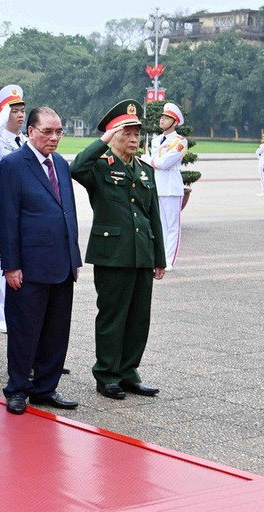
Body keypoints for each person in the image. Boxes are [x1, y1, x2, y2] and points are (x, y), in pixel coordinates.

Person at [71, 100, 166, 401]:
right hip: (113, 255)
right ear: (114, 135)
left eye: (137, 133)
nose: (135, 138)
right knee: (113, 316)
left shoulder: (145, 170)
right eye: (127, 133)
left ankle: (128, 372)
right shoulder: (100, 168)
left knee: (139, 317)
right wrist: (103, 140)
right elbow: (76, 167)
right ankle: (107, 374)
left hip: (142, 254)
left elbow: (154, 216)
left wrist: (159, 258)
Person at [0, 107, 82, 415]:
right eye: (47, 131)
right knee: (24, 331)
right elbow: (7, 218)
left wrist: (75, 257)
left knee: (56, 331)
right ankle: (17, 389)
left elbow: (66, 211)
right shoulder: (12, 166)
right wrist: (11, 264)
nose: (54, 137)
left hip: (61, 264)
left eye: (59, 131)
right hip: (29, 266)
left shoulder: (60, 163)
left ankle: (46, 387)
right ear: (30, 131)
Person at [0, 84, 26, 334]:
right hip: (2, 206)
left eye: (22, 110)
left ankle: (16, 310)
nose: (20, 115)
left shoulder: (26, 140)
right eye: (13, 111)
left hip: (24, 207)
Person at [143, 103, 188, 270]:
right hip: (156, 185)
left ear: (175, 122)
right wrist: (151, 161)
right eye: (162, 117)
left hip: (171, 187)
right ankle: (159, 258)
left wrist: (150, 161)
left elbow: (164, 163)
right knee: (158, 224)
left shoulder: (180, 142)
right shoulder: (155, 140)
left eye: (167, 118)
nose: (162, 119)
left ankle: (169, 260)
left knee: (172, 226)